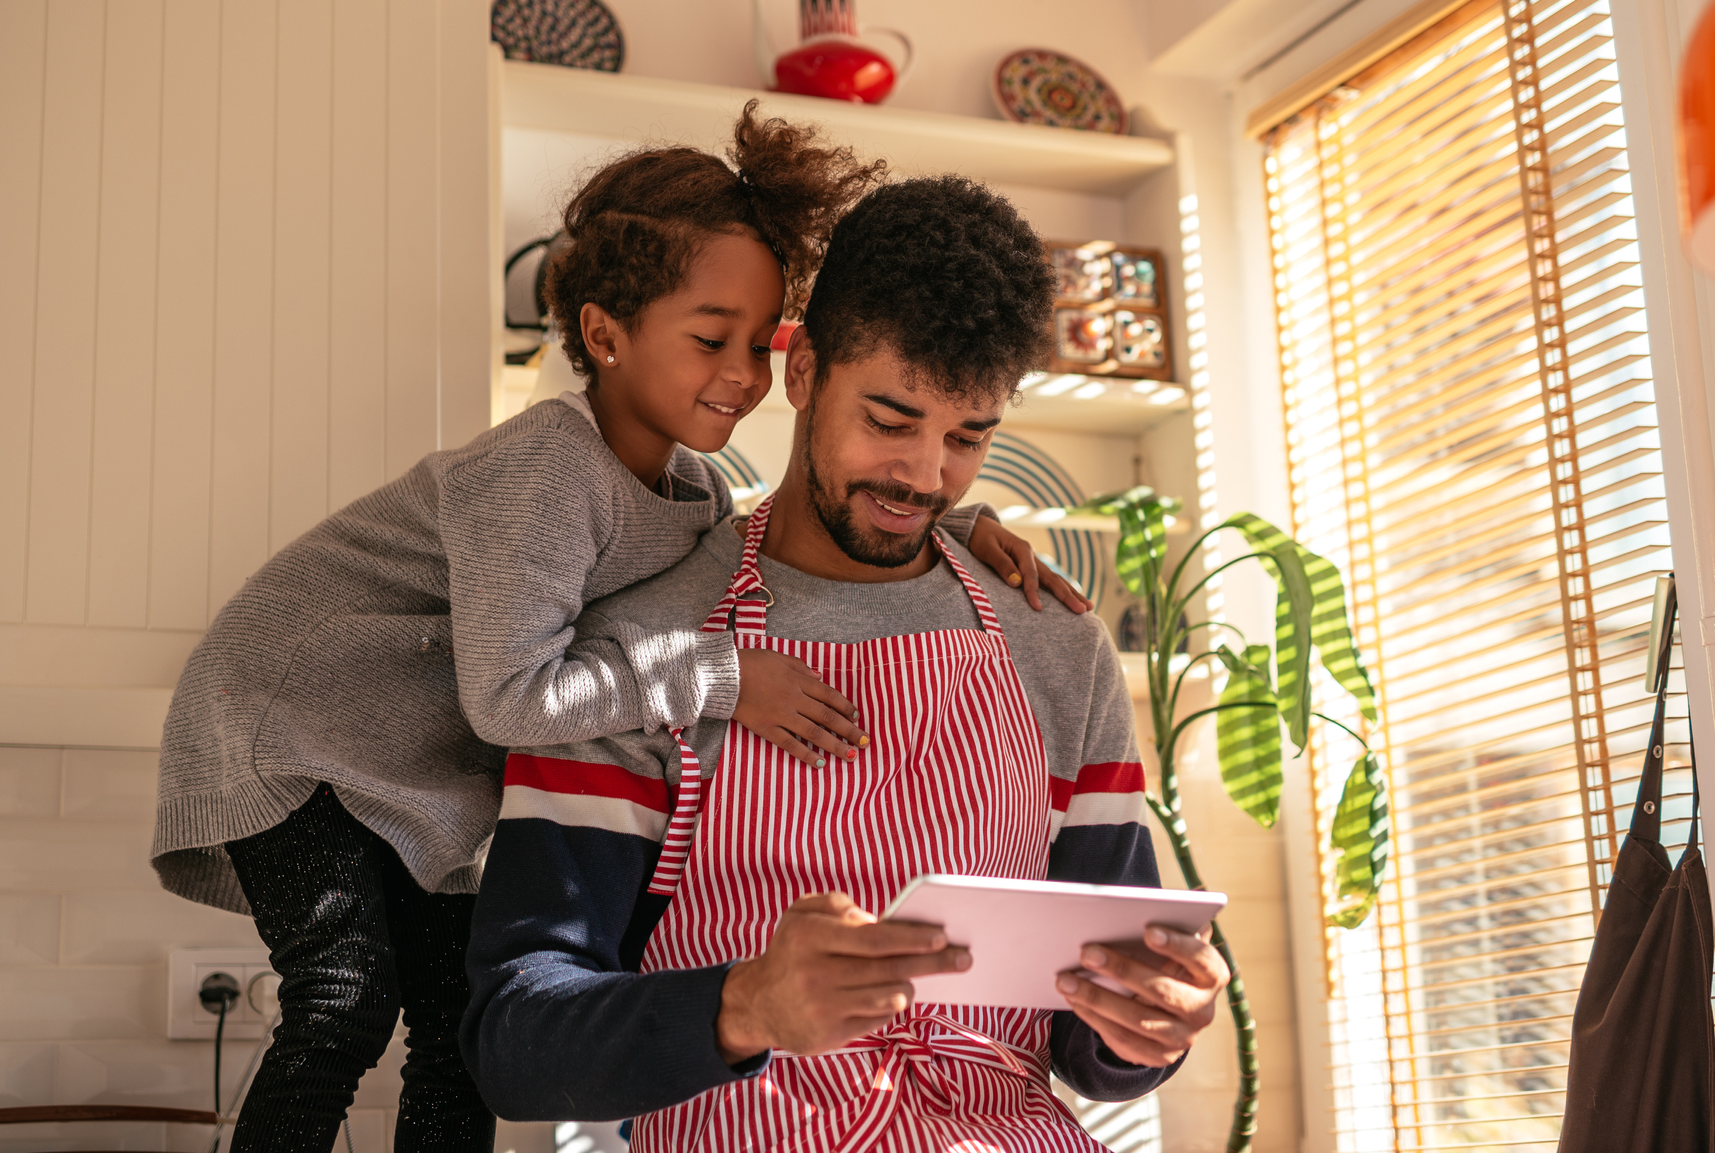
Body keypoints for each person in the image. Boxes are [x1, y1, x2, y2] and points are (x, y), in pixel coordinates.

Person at [149, 108, 1070, 1153]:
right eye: (708, 337)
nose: (741, 373)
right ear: (603, 334)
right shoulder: (544, 467)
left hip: (396, 759)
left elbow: (808, 522)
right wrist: (724, 676)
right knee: (343, 995)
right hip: (288, 727)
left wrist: (954, 521)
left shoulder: (688, 492)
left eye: (756, 343)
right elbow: (513, 697)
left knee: (455, 1030)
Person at [462, 176, 1229, 1151]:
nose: (924, 475)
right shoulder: (642, 654)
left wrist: (1146, 1026)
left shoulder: (1054, 645)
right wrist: (743, 1005)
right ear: (804, 368)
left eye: (969, 437)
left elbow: (1091, 1040)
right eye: (891, 418)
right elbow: (514, 1038)